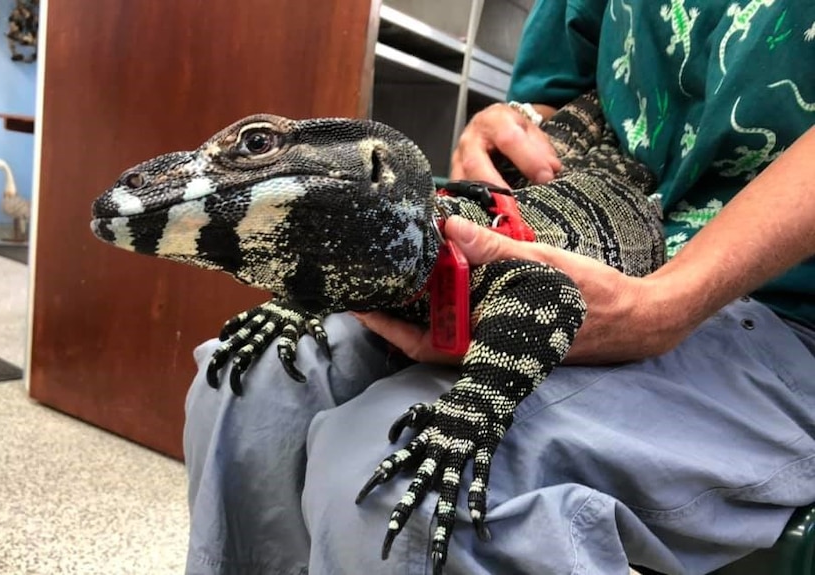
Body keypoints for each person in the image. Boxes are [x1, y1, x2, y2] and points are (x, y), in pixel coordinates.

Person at [183, 1, 815, 573]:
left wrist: (666, 303)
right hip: (567, 229)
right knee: (253, 379)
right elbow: (564, 96)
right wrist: (509, 126)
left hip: (781, 305)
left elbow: (561, 300)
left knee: (403, 483)